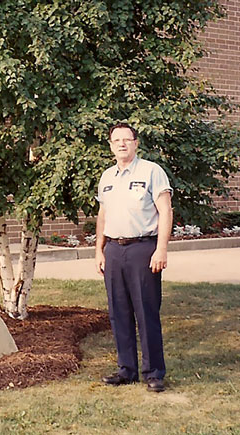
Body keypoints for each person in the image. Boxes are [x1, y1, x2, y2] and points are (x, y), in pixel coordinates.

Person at [95, 122, 173, 393]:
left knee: (146, 311)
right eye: (116, 140)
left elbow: (165, 211)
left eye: (127, 139)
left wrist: (161, 249)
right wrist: (99, 250)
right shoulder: (106, 177)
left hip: (143, 248)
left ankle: (153, 372)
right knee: (119, 312)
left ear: (136, 143)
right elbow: (102, 215)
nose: (121, 144)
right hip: (114, 250)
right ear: (110, 145)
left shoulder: (152, 171)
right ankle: (126, 369)